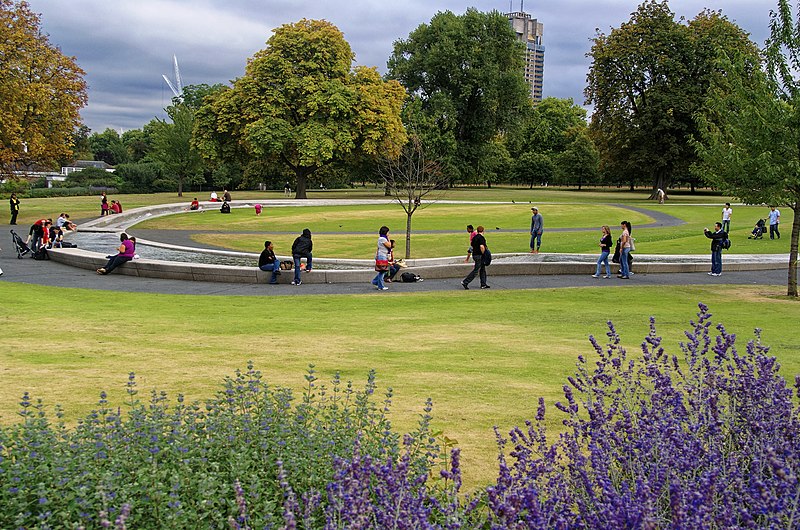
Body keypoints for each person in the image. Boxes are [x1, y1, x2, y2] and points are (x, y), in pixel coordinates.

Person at [462, 225, 489, 289]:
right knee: (476, 270)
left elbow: (472, 246)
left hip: (475, 255)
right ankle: (465, 282)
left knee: (482, 269)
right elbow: (481, 247)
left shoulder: (474, 238)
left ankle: (483, 284)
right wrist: (484, 254)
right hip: (479, 255)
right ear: (483, 231)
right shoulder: (481, 238)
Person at [372, 226, 392, 290]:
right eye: (388, 232)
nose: (389, 233)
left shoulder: (382, 238)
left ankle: (375, 281)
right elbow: (389, 245)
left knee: (383, 271)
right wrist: (388, 238)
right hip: (382, 256)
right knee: (382, 271)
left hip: (383, 255)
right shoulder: (382, 239)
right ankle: (380, 286)